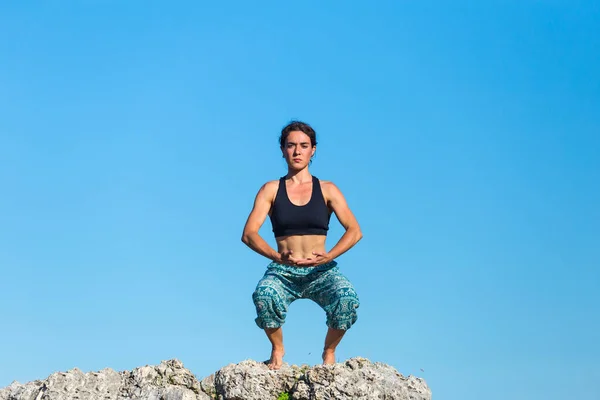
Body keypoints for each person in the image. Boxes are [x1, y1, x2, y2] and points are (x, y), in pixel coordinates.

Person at [241, 121, 363, 370]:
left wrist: (329, 257)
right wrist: (276, 256)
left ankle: (329, 351)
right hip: (283, 271)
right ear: (283, 150)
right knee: (264, 295)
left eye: (304, 146)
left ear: (313, 150)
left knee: (347, 298)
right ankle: (277, 348)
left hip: (321, 271)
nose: (297, 151)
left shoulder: (328, 189)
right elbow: (249, 233)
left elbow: (354, 231)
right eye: (291, 145)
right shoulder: (271, 189)